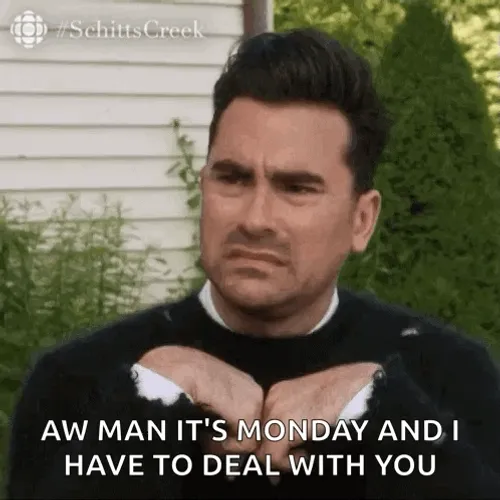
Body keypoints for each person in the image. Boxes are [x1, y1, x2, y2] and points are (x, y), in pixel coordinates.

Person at [5, 27, 500, 500]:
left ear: (361, 220)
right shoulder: (80, 379)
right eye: (233, 179)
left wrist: (380, 409)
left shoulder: (447, 378)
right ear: (204, 187)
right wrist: (149, 396)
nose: (256, 218)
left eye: (296, 188)